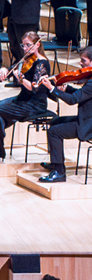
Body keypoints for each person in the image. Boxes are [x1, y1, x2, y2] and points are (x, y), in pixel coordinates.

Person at [0, 31, 50, 163]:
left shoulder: (42, 64)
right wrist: (4, 69)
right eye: (23, 45)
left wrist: (21, 79)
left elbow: (34, 88)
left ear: (37, 45)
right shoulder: (26, 59)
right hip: (22, 99)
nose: (25, 48)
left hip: (35, 104)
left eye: (28, 45)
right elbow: (11, 69)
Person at [38, 44, 92, 183]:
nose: (80, 64)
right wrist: (66, 88)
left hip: (88, 125)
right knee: (55, 121)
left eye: (84, 61)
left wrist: (52, 89)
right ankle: (56, 162)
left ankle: (59, 173)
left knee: (54, 132)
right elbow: (81, 94)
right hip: (86, 119)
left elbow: (73, 100)